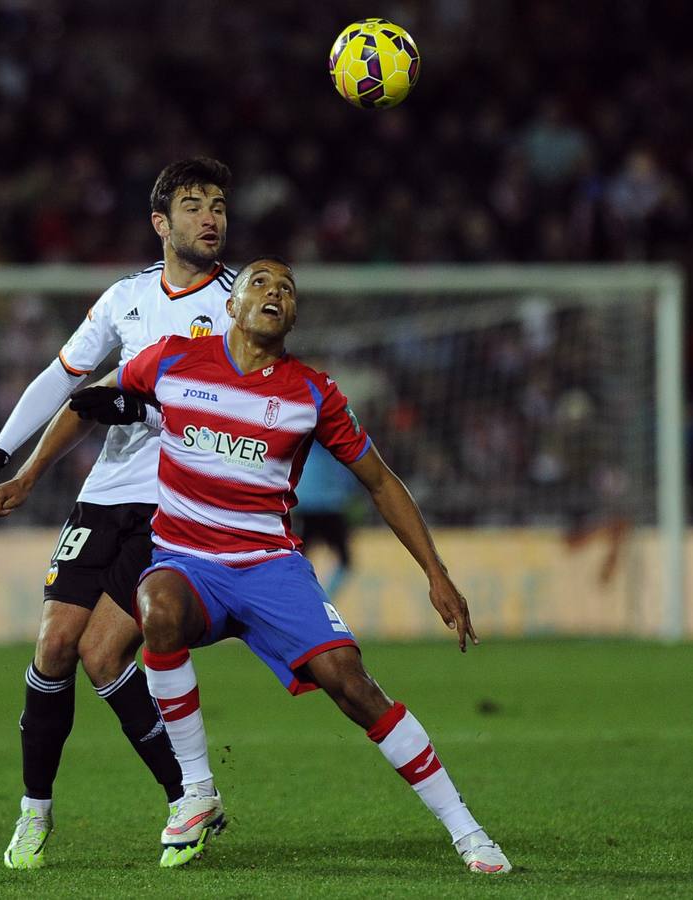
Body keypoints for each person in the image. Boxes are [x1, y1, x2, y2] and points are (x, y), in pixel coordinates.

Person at [67, 257, 513, 874]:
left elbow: (381, 483)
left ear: (294, 315)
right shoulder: (171, 357)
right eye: (259, 282)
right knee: (157, 609)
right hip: (187, 561)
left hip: (270, 568)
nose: (275, 292)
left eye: (287, 288)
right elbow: (91, 398)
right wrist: (27, 469)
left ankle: (468, 832)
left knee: (350, 682)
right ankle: (195, 792)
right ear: (231, 304)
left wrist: (436, 573)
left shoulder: (313, 394)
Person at [0, 157, 238, 870]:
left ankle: (187, 796)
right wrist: (0, 457)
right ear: (159, 223)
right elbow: (66, 379)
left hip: (178, 504)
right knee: (53, 645)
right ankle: (33, 813)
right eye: (194, 205)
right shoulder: (125, 297)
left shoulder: (238, 302)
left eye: (219, 206)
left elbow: (239, 401)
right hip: (104, 496)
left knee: (102, 651)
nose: (211, 218)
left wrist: (144, 403)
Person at [294, 439, 359, 601]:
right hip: (329, 506)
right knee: (345, 561)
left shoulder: (303, 437)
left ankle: (306, 600)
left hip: (307, 504)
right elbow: (349, 475)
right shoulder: (337, 439)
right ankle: (322, 601)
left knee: (296, 561)